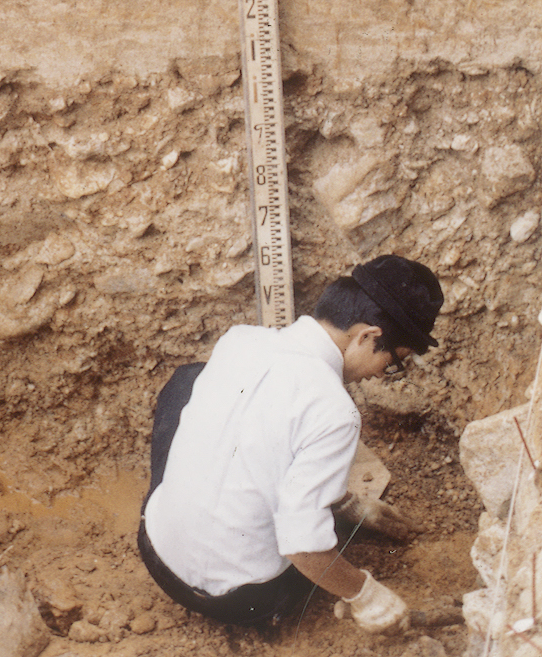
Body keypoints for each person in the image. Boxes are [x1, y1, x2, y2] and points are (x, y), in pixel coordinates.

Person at [138, 255, 444, 633]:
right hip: (239, 601)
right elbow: (303, 546)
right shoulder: (335, 412)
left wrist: (345, 503)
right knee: (314, 535)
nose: (381, 374)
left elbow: (262, 440)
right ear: (368, 336)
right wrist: (365, 595)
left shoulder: (239, 339)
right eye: (393, 362)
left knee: (189, 380)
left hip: (154, 550)